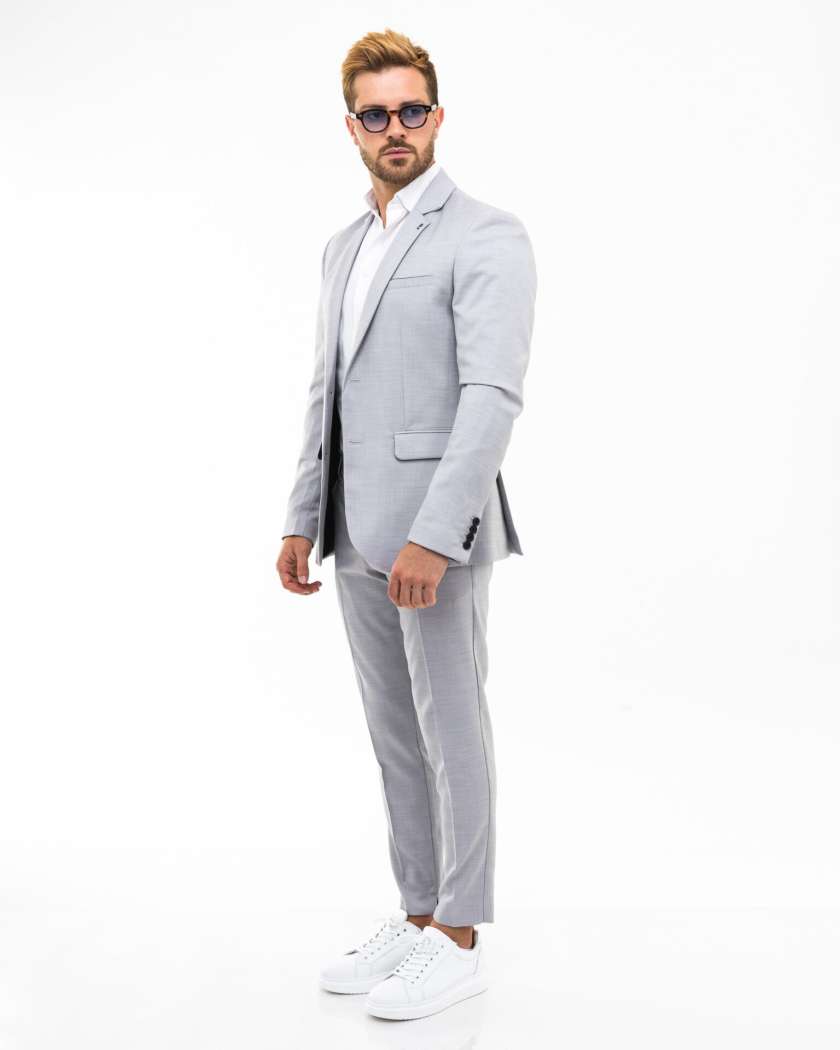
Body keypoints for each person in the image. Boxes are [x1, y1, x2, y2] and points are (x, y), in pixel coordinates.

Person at [276, 27, 537, 1021]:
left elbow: (491, 395)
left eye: (412, 110)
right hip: (350, 529)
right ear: (352, 127)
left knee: (451, 727)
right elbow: (327, 392)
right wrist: (301, 516)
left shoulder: (487, 234)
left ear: (438, 117)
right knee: (395, 734)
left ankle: (460, 937)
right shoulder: (344, 247)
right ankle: (420, 910)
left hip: (436, 535)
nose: (397, 127)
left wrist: (438, 532)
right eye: (376, 113)